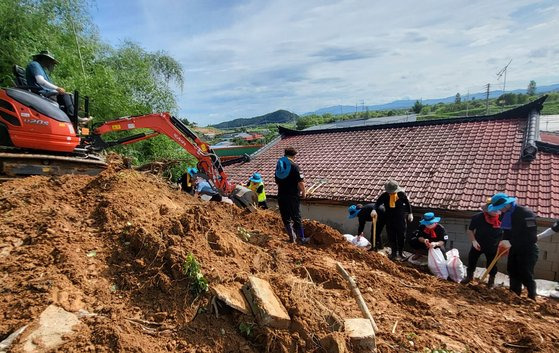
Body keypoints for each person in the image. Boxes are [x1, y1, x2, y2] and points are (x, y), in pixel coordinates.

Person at [489, 193, 538, 300]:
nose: (499, 211)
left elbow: (532, 237)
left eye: (500, 208)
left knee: (525, 273)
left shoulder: (526, 213)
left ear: (506, 204)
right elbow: (506, 232)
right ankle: (514, 295)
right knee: (512, 271)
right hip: (514, 249)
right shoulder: (505, 215)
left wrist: (511, 242)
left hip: (527, 249)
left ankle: (531, 297)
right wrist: (504, 242)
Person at [25, 50, 84, 122]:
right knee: (65, 96)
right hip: (40, 92)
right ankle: (74, 118)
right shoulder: (35, 65)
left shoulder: (42, 69)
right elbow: (40, 80)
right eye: (50, 61)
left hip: (45, 92)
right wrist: (57, 88)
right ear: (44, 59)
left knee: (70, 96)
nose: (51, 64)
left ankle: (73, 118)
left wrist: (57, 90)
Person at [461, 201, 503, 287]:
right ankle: (469, 277)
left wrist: (503, 242)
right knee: (472, 260)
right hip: (478, 244)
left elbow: (507, 231)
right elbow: (470, 230)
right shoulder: (477, 217)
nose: (496, 212)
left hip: (493, 246)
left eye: (497, 210)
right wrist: (473, 241)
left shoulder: (503, 218)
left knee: (492, 265)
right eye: (493, 210)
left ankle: (491, 282)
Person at [372, 180, 413, 261]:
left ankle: (401, 253)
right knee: (391, 237)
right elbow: (377, 203)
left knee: (401, 237)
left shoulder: (401, 194)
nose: (391, 193)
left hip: (400, 218)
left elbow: (407, 203)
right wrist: (373, 210)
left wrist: (410, 213)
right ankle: (393, 253)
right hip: (389, 219)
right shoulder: (384, 195)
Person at [275, 147, 308, 244]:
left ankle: (292, 238)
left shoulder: (280, 167)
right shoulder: (295, 166)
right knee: (296, 216)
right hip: (292, 196)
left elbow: (277, 182)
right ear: (294, 156)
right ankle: (301, 239)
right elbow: (300, 182)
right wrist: (304, 192)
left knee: (285, 217)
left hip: (281, 195)